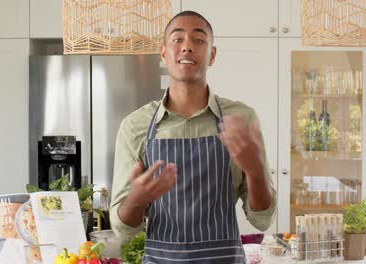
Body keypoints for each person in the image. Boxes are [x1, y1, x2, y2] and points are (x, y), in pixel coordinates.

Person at [110, 10, 276, 264]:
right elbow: (124, 228)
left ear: (212, 55)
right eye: (177, 39)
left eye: (198, 40)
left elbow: (261, 218)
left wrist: (255, 170)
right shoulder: (135, 126)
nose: (187, 47)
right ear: (163, 52)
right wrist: (136, 199)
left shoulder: (241, 119)